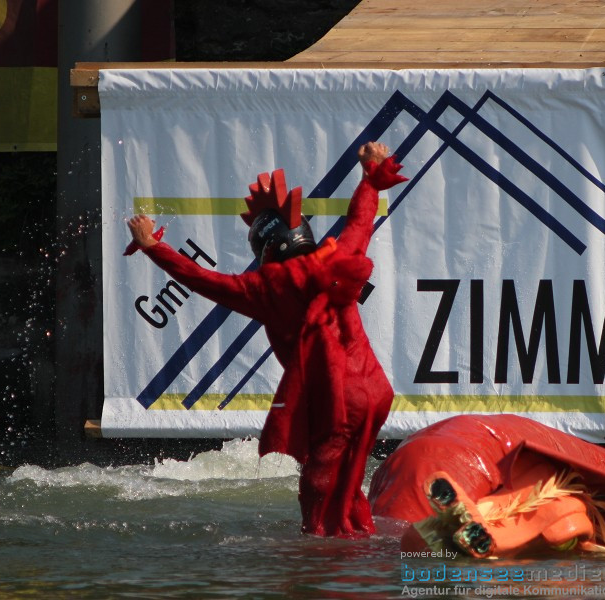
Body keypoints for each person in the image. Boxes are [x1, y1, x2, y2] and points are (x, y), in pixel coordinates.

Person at [127, 142, 407, 537]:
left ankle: (338, 564)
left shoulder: (264, 288)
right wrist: (370, 178)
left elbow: (202, 280)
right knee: (347, 480)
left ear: (267, 248)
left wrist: (153, 247)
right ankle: (362, 535)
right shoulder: (338, 258)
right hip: (375, 393)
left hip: (337, 398)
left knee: (318, 486)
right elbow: (360, 223)